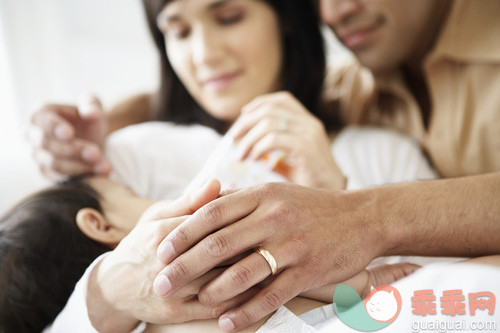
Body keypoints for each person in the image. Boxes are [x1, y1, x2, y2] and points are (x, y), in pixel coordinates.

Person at [142, 0, 500, 331]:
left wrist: (357, 217)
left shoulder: (375, 141)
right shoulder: (361, 85)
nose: (331, 13)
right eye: (178, 32)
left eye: (230, 18)